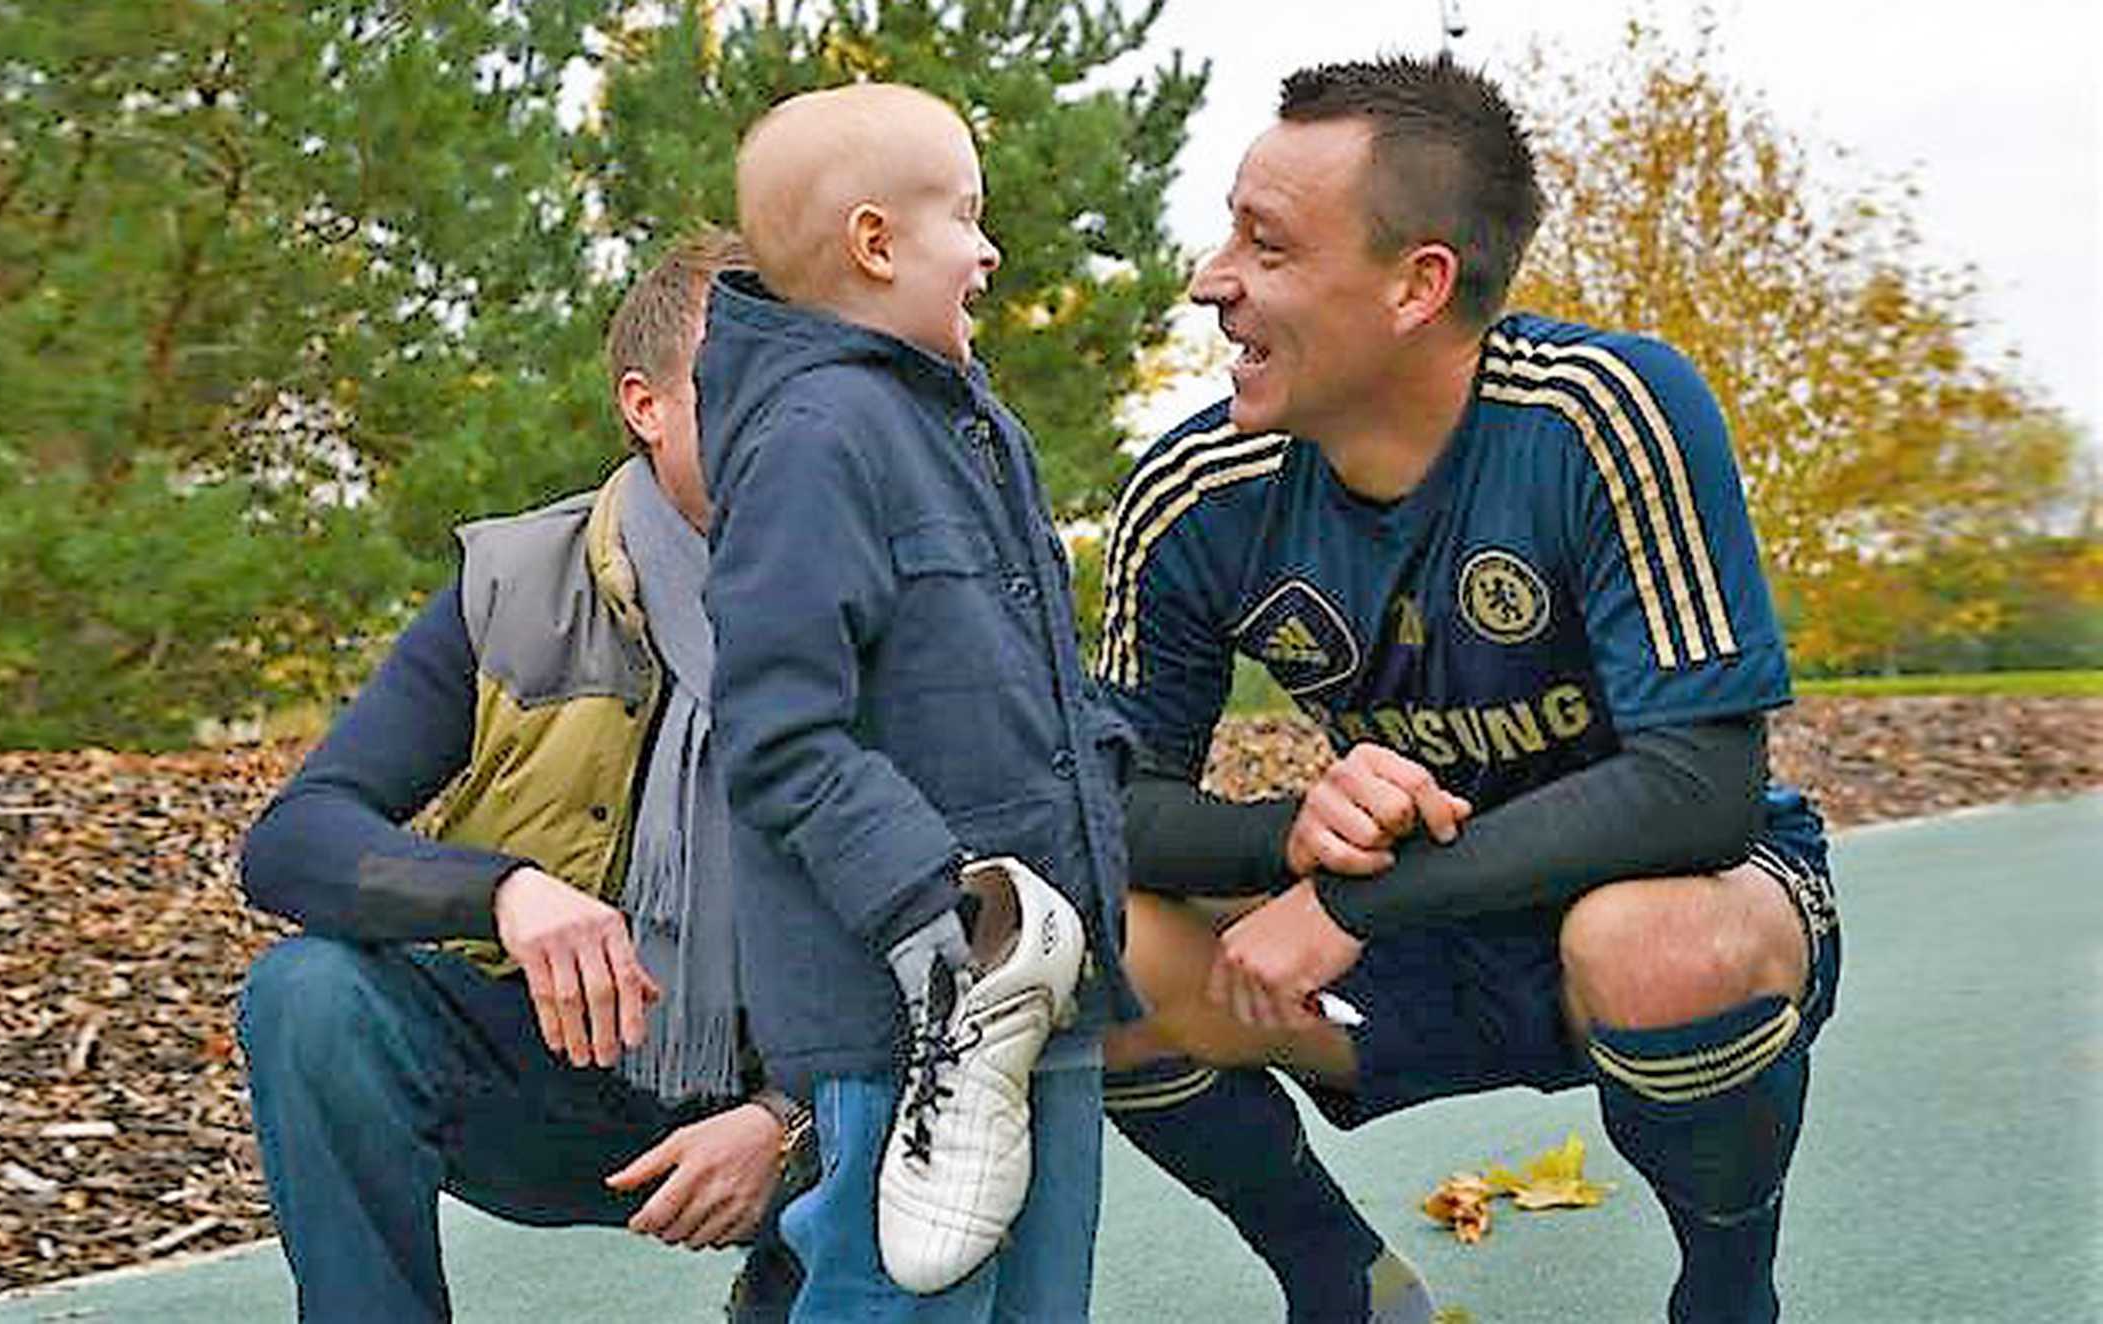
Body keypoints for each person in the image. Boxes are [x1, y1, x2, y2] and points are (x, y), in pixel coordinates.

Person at [1097, 55, 1840, 1324]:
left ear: (1417, 284)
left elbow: (1701, 790)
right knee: (1077, 954)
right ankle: (1346, 1286)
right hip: (1405, 946)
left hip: (1634, 915)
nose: (1211, 277)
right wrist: (1283, 834)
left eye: (1264, 245)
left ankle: (1728, 1290)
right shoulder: (1189, 496)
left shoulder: (1610, 411)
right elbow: (1101, 802)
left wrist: (1354, 898)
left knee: (1658, 944)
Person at [235, 231, 811, 1324]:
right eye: (743, 388)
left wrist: (790, 1116)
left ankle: (794, 1282)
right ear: (646, 405)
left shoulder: (878, 591)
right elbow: (293, 839)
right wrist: (505, 891)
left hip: (813, 1093)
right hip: (554, 1070)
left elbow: (964, 917)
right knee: (310, 997)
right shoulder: (516, 583)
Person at [698, 82, 1135, 1322]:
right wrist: (933, 917)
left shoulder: (969, 429)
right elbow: (780, 736)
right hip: (902, 1020)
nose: (990, 250)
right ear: (877, 243)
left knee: (1039, 1301)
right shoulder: (815, 439)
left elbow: (1029, 701)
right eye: (968, 217)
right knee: (900, 1298)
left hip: (1036, 997)